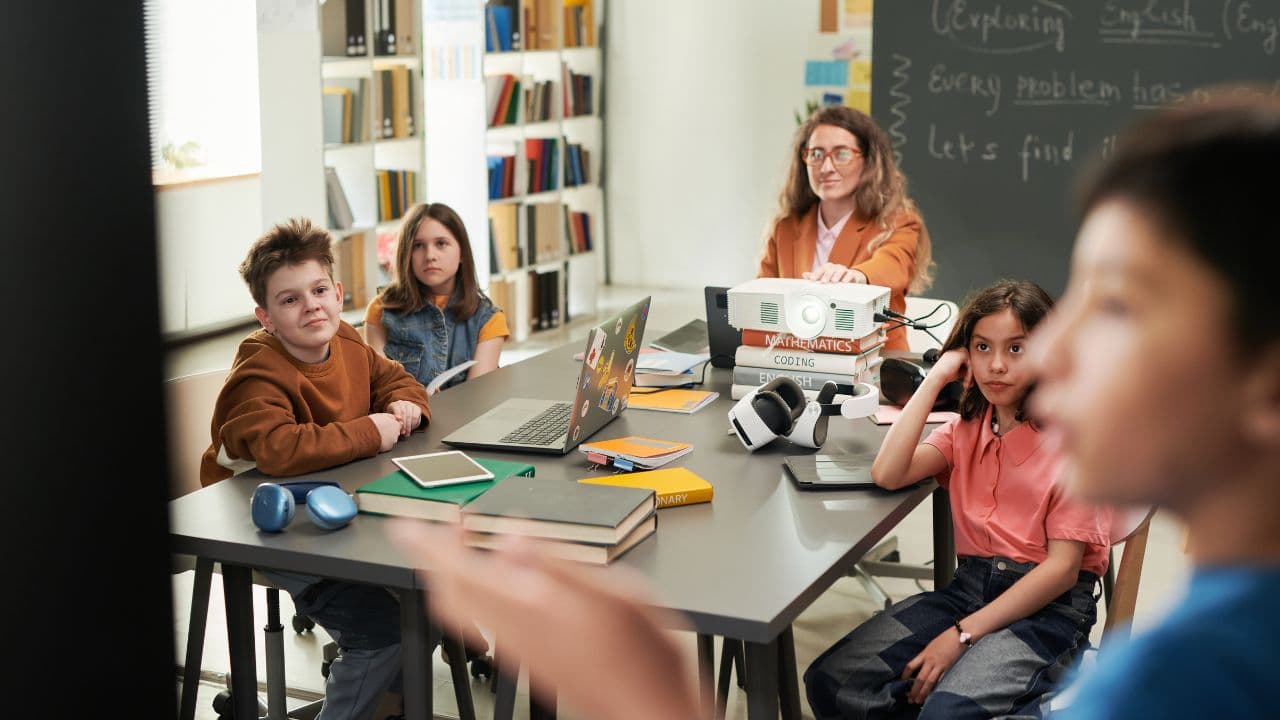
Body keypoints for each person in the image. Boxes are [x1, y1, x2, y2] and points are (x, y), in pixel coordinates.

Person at [388, 94, 1280, 720]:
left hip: (1008, 592)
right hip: (964, 564)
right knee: (849, 677)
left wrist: (657, 703)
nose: (1051, 352)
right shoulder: (1196, 650)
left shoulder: (1194, 681)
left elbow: (879, 287)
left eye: (1119, 305)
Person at [805, 279, 1111, 718]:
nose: (996, 366)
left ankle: (1042, 700)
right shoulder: (967, 428)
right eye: (982, 348)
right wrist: (936, 376)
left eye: (1016, 349)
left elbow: (1062, 572)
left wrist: (960, 637)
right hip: (971, 588)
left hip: (1051, 609)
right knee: (832, 679)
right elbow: (888, 473)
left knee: (946, 711)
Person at [201, 217, 430, 720]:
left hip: (326, 511)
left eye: (320, 290)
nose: (311, 306)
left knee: (433, 603)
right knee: (384, 630)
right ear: (265, 316)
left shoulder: (346, 340)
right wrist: (372, 430)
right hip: (256, 527)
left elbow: (399, 382)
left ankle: (383, 706)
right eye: (290, 300)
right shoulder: (258, 371)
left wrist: (405, 406)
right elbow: (278, 450)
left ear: (338, 291)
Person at [757, 105, 934, 351]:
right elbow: (761, 300)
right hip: (796, 367)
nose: (826, 167)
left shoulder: (898, 222)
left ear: (868, 161)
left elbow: (893, 265)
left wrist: (856, 276)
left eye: (841, 154)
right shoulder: (784, 228)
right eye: (816, 154)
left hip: (878, 370)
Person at [364, 202, 509, 393]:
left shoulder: (489, 320)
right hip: (402, 419)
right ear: (406, 253)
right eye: (418, 245)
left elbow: (477, 400)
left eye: (441, 243)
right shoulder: (381, 310)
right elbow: (379, 387)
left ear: (462, 253)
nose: (430, 255)